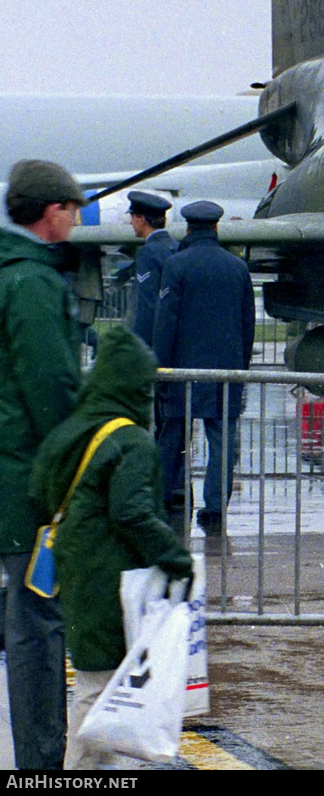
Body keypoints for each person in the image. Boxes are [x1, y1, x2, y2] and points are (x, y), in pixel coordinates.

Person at [29, 331, 191, 770]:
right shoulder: (131, 441)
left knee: (93, 676)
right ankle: (83, 770)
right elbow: (131, 512)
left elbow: (41, 485)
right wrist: (175, 557)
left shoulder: (78, 427)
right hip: (110, 575)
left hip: (78, 569)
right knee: (102, 686)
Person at [0, 159, 83, 769]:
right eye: (74, 208)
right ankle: (40, 764)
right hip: (27, 478)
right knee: (37, 623)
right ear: (53, 211)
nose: (78, 218)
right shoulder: (31, 282)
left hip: (10, 468)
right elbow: (50, 385)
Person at [152, 200, 255, 537]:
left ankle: (162, 499)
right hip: (226, 371)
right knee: (221, 441)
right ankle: (214, 510)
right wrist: (240, 366)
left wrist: (161, 369)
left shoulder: (176, 265)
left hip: (183, 371)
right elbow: (247, 324)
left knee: (174, 439)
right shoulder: (238, 268)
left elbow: (165, 321)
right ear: (215, 228)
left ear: (188, 228)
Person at [125, 191, 175, 345]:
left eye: (132, 217)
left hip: (152, 341)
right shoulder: (175, 247)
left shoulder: (148, 252)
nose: (130, 223)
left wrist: (139, 344)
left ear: (141, 219)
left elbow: (147, 304)